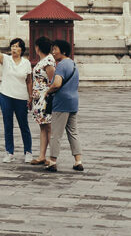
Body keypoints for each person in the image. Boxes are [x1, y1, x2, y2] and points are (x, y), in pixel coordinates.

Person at [0, 37, 33, 164]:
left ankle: (28, 151)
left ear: (22, 49)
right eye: (12, 46)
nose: (14, 48)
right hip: (6, 95)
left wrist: (31, 96)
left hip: (21, 97)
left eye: (17, 46)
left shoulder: (26, 63)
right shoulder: (6, 59)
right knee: (8, 124)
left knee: (23, 125)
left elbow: (29, 81)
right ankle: (9, 152)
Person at [44, 40, 82, 172]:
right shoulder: (73, 64)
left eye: (55, 49)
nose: (53, 52)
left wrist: (47, 91)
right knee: (73, 132)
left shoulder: (60, 65)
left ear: (63, 51)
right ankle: (78, 160)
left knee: (56, 133)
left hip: (61, 102)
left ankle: (52, 161)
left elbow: (57, 84)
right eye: (52, 49)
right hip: (73, 101)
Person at [29, 37, 56, 165]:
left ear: (37, 47)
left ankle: (52, 157)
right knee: (43, 127)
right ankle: (42, 155)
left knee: (48, 127)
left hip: (45, 98)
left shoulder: (49, 62)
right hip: (38, 97)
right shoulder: (43, 60)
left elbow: (53, 81)